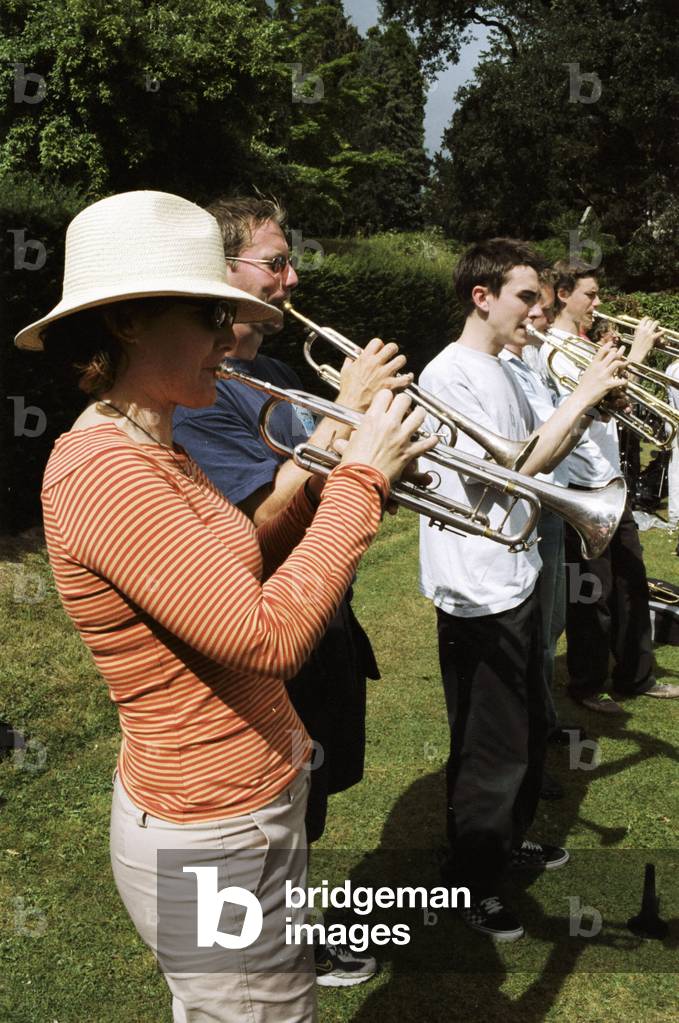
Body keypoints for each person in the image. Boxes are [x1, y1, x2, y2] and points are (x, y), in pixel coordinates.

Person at [19, 190, 435, 1023]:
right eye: (210, 313)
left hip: (240, 809)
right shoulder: (107, 469)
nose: (227, 335)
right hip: (212, 824)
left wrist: (317, 485)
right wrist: (360, 477)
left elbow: (237, 570)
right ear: (128, 323)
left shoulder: (156, 444)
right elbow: (265, 634)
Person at [172, 195, 407, 987]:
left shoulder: (271, 373)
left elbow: (328, 482)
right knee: (271, 817)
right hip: (268, 628)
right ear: (222, 272)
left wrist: (386, 458)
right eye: (274, 262)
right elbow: (258, 527)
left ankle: (287, 927)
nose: (291, 277)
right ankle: (263, 951)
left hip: (323, 614)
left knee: (310, 797)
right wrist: (344, 413)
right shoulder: (194, 401)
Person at [418, 238, 627, 942]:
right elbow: (510, 475)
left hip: (515, 572)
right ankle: (468, 881)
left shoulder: (501, 367)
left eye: (540, 297)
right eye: (524, 297)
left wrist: (584, 408)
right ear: (481, 297)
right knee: (487, 746)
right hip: (476, 587)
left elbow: (538, 449)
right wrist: (583, 396)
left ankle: (503, 845)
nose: (537, 310)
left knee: (525, 728)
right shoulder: (450, 374)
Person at [548, 261, 679, 709]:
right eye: (590, 294)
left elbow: (618, 405)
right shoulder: (554, 347)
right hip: (579, 486)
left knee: (632, 583)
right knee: (592, 593)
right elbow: (599, 405)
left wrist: (619, 356)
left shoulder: (584, 344)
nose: (598, 303)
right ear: (563, 294)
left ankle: (635, 676)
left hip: (611, 483)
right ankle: (586, 684)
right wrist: (638, 356)